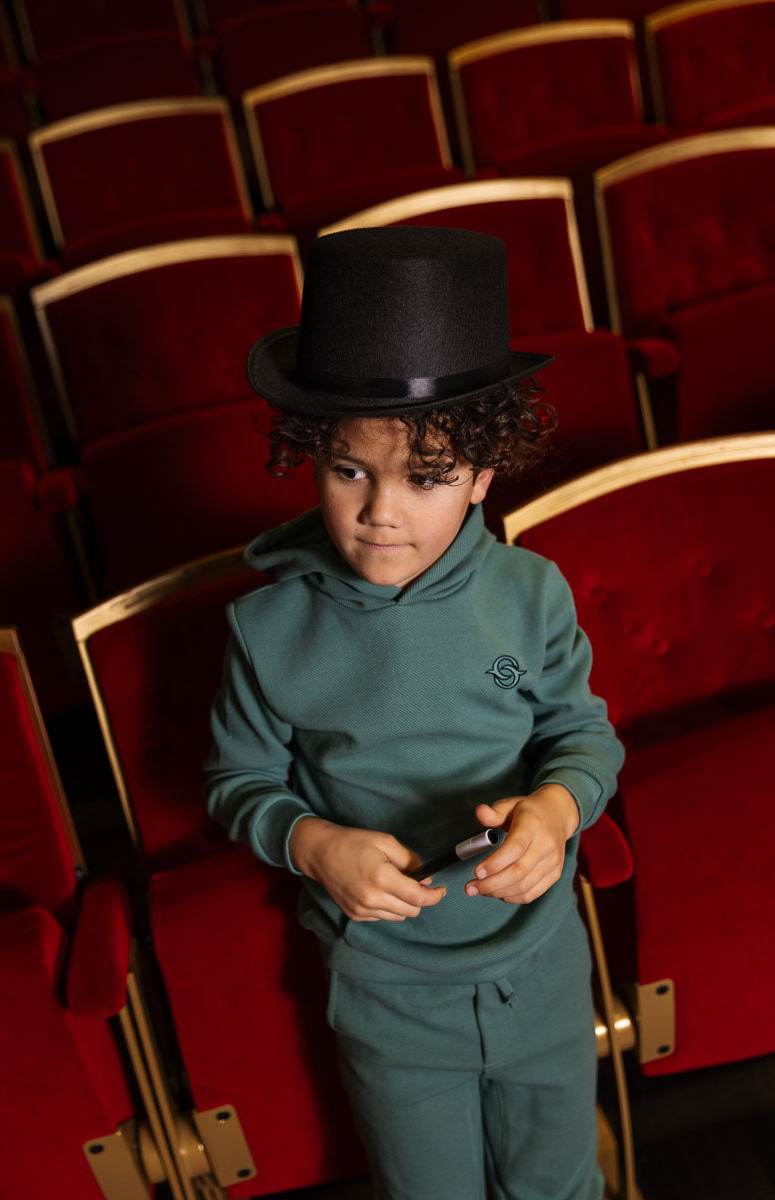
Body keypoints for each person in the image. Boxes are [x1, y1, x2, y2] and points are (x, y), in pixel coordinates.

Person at [204, 226, 625, 1200]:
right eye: (348, 470)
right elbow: (237, 781)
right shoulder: (265, 628)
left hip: (539, 960)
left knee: (559, 1185)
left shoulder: (531, 592)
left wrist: (555, 808)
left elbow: (582, 736)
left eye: (425, 477)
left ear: (482, 474)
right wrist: (314, 844)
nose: (380, 511)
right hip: (385, 987)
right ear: (312, 457)